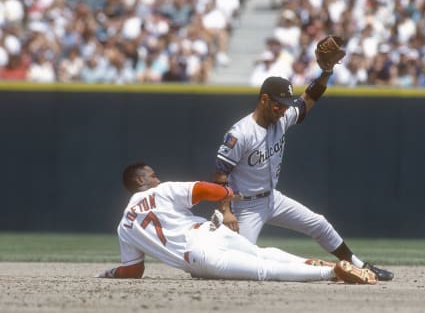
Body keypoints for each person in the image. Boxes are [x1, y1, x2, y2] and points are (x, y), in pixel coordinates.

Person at [212, 72, 394, 281]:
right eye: (278, 105)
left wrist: (326, 72)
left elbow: (309, 98)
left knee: (319, 223)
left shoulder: (281, 119)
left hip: (272, 198)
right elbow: (219, 175)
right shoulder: (241, 133)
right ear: (264, 99)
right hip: (245, 206)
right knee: (239, 263)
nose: (283, 111)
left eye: (286, 106)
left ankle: (359, 266)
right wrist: (225, 211)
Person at [96, 162, 377, 284]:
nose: (156, 178)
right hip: (210, 235)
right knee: (265, 255)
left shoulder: (124, 226)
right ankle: (332, 266)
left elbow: (133, 271)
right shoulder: (162, 190)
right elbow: (204, 189)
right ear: (138, 181)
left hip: (200, 255)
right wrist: (227, 193)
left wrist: (110, 273)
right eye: (151, 175)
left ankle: (333, 272)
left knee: (265, 270)